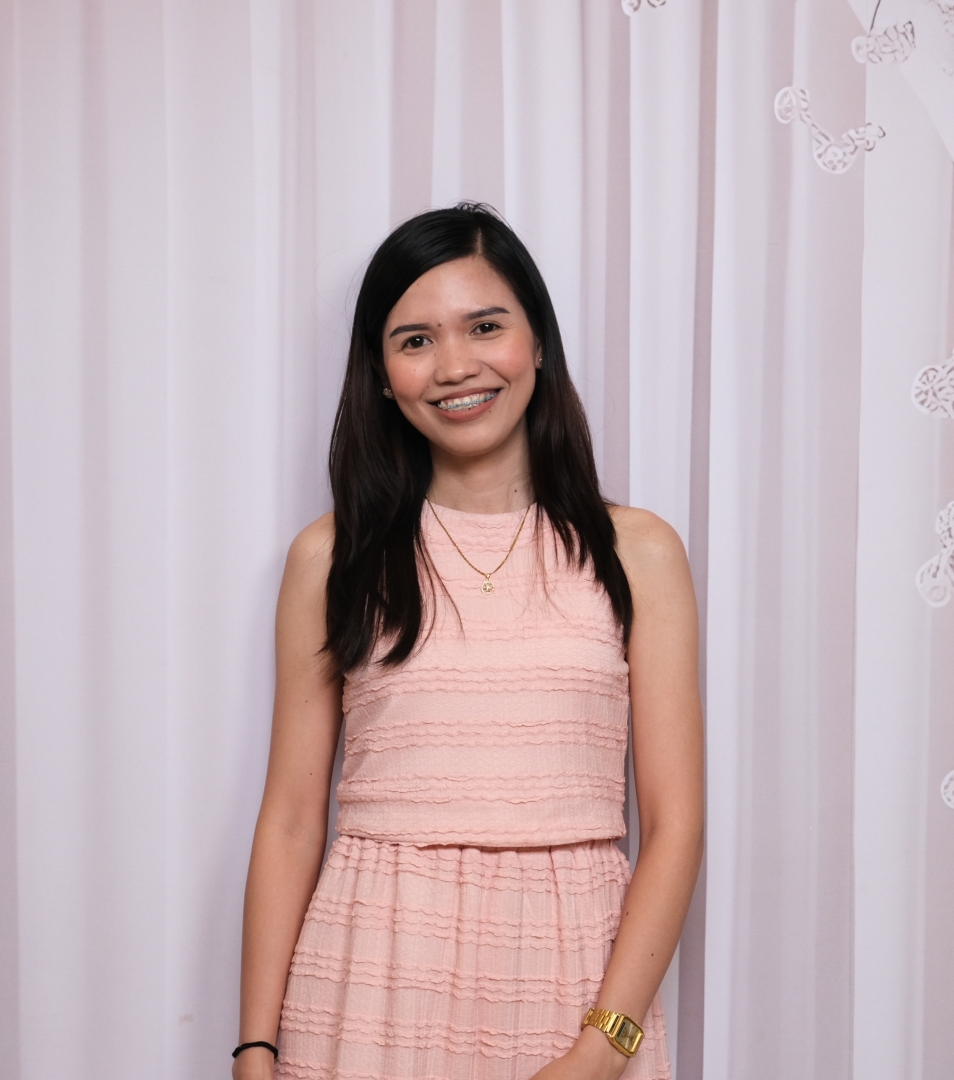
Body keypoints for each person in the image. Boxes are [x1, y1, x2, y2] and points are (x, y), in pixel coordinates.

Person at [234, 204, 704, 1080]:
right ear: (380, 375)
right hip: (368, 984)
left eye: (485, 326)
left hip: (572, 981)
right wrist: (255, 1048)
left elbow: (675, 825)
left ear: (538, 342)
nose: (454, 366)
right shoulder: (332, 557)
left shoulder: (637, 552)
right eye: (415, 341)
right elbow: (292, 820)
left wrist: (605, 1046)